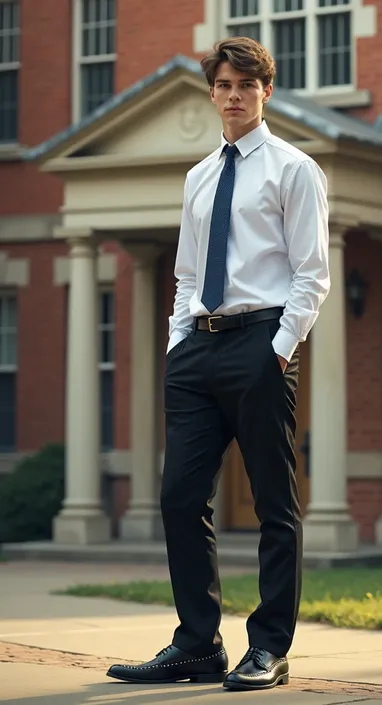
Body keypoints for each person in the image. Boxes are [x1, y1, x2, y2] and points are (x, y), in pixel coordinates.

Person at [107, 36, 330, 692]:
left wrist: (279, 349)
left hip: (260, 344)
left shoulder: (294, 169)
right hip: (198, 349)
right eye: (224, 85)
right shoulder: (199, 177)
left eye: (246, 85)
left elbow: (311, 273)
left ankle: (269, 647)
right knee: (179, 495)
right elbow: (184, 274)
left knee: (272, 502)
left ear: (266, 90)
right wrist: (179, 343)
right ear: (212, 93)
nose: (234, 96)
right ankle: (198, 642)